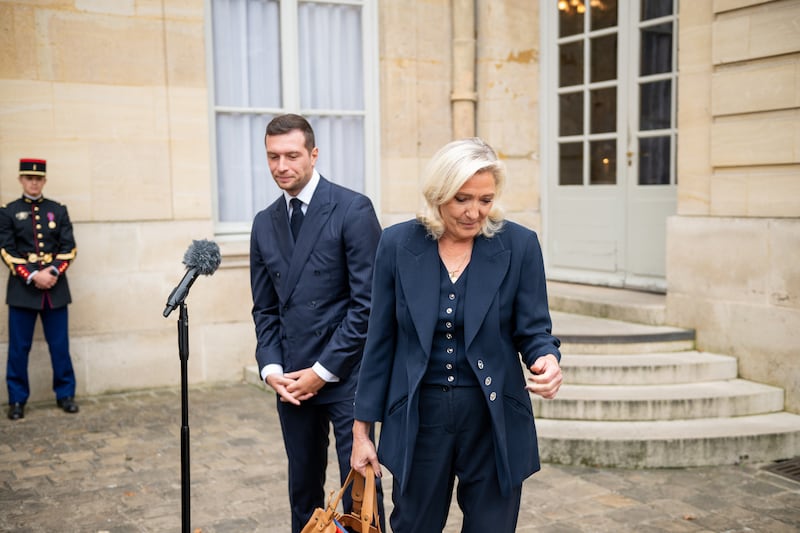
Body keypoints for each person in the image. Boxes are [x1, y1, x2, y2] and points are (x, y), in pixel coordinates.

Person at [350, 138, 563, 532]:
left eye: (485, 200)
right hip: (419, 418)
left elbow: (534, 329)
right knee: (414, 526)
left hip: (493, 420)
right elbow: (379, 342)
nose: (474, 212)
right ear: (438, 194)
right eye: (462, 199)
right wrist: (361, 432)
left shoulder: (520, 245)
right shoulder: (397, 244)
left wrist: (547, 359)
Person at [249, 114, 384, 532]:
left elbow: (368, 305)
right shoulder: (264, 222)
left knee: (361, 496)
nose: (281, 166)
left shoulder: (352, 209)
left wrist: (322, 372)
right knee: (303, 493)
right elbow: (265, 309)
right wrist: (272, 370)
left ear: (314, 154)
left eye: (292, 155)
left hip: (347, 376)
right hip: (292, 382)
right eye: (273, 156)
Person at [1, 159, 79, 421]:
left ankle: (65, 394)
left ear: (44, 180)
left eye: (38, 179)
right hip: (22, 290)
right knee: (18, 348)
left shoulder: (58, 210)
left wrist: (52, 272)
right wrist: (34, 275)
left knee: (59, 346)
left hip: (54, 290)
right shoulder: (8, 212)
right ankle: (17, 399)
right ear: (21, 180)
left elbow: (69, 248)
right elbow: (6, 250)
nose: (33, 183)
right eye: (28, 178)